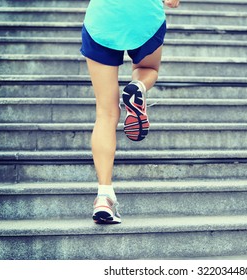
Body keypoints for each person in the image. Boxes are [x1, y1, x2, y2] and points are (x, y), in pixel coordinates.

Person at [80, 0, 180, 224]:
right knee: (148, 68)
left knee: (105, 114)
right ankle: (139, 87)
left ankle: (104, 197)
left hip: (103, 18)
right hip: (144, 18)